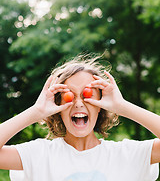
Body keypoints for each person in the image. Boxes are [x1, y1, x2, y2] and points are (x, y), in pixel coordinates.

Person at [0, 55, 159, 181]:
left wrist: (122, 106)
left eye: (87, 95)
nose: (78, 103)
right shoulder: (39, 155)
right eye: (69, 96)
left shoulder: (127, 155)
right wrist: (36, 111)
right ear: (58, 108)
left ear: (100, 106)